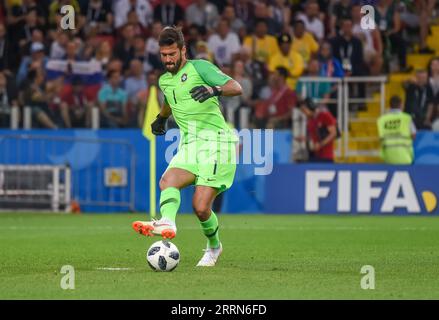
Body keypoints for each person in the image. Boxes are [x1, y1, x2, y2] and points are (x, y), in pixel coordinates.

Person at [132, 26, 242, 267]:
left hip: (217, 143)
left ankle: (214, 247)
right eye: (164, 55)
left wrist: (214, 90)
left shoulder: (199, 67)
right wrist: (161, 117)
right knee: (167, 180)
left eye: (172, 54)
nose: (168, 60)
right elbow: (171, 100)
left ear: (183, 50)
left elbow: (236, 87)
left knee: (200, 207)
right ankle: (167, 222)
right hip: (190, 144)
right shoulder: (164, 80)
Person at [377, 96, 416, 165]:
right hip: (405, 156)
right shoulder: (406, 118)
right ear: (401, 105)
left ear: (390, 105)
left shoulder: (382, 120)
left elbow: (380, 138)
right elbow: (413, 135)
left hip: (388, 157)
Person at [298, 97, 338, 162]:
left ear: (311, 107)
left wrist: (320, 144)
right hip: (315, 155)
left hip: (326, 156)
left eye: (304, 110)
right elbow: (314, 137)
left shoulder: (324, 115)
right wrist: (305, 139)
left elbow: (333, 133)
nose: (304, 113)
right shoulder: (310, 120)